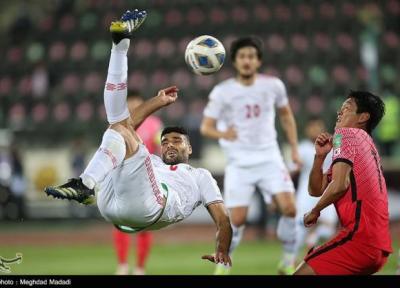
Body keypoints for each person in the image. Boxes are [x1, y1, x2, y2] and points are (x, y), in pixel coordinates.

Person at [44, 9, 232, 269]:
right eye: (166, 140)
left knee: (121, 132)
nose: (168, 143)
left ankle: (120, 48)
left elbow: (223, 220)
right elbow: (125, 125)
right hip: (111, 205)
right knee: (117, 129)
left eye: (177, 140)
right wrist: (157, 101)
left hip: (151, 208)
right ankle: (119, 47)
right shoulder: (153, 162)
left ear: (190, 147)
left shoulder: (200, 176)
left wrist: (222, 249)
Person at [201, 36, 301, 275]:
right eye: (242, 56)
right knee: (236, 220)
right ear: (234, 61)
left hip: (269, 157)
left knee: (290, 209)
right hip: (239, 163)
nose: (247, 61)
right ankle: (222, 266)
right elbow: (206, 127)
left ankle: (287, 261)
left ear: (259, 61)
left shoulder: (274, 85)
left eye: (251, 56)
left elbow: (286, 116)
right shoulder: (222, 92)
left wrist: (294, 148)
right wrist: (224, 132)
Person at [294, 91, 392, 275]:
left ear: (363, 117)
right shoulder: (367, 144)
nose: (340, 112)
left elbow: (340, 185)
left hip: (359, 238)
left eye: (347, 108)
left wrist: (315, 211)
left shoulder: (344, 135)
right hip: (379, 246)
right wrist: (319, 157)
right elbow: (316, 189)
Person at [113, 91, 162, 275]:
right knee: (120, 222)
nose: (134, 104)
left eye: (137, 101)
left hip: (145, 182)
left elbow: (161, 146)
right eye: (130, 101)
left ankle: (140, 267)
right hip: (123, 180)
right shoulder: (119, 125)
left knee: (145, 224)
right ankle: (123, 265)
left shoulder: (154, 124)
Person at [293, 117, 337, 264]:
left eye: (318, 126)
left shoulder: (333, 145)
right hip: (306, 193)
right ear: (307, 130)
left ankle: (313, 242)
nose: (315, 130)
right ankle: (291, 261)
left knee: (328, 228)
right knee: (300, 227)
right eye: (312, 127)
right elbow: (293, 169)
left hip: (327, 191)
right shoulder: (303, 147)